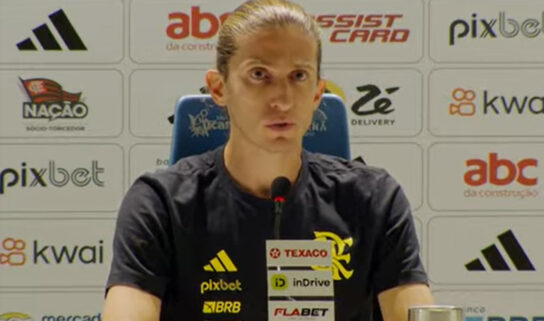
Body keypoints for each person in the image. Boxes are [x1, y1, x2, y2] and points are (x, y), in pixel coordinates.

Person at [102, 0, 433, 320]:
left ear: (317, 93)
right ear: (218, 88)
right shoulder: (159, 203)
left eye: (298, 76)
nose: (282, 99)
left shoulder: (375, 199)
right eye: (259, 74)